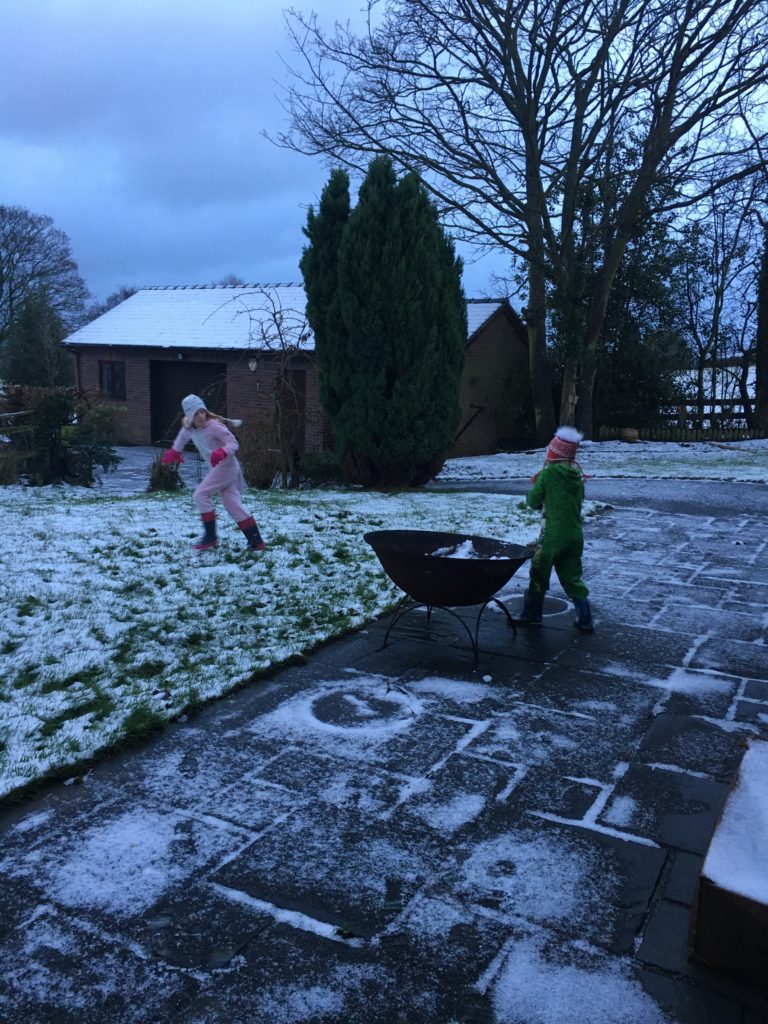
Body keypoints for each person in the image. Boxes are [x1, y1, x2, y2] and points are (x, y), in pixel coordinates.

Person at [161, 394, 266, 553]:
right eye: (196, 413)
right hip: (219, 469)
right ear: (189, 416)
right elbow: (182, 438)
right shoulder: (189, 428)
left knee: (200, 495)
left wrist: (223, 451)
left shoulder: (215, 427)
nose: (201, 416)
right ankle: (256, 542)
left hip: (226, 467)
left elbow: (233, 443)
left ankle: (211, 537)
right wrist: (175, 451)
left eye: (202, 411)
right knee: (232, 505)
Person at [515, 426, 593, 633]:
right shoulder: (577, 476)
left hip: (552, 536)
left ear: (553, 454)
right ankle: (585, 618)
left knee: (539, 571)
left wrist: (537, 497)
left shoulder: (548, 474)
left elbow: (533, 500)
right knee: (572, 576)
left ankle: (532, 615)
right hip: (575, 536)